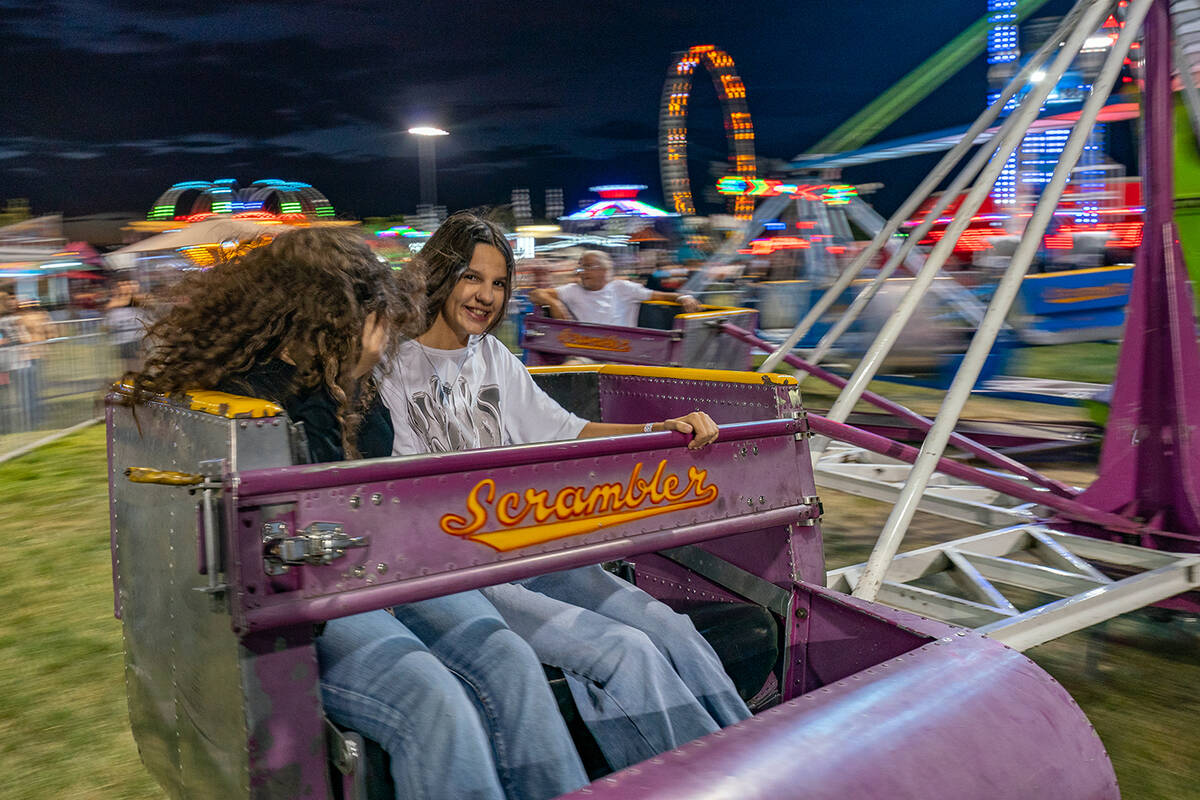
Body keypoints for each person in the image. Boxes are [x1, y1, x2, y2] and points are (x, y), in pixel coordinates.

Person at [128, 228, 588, 800]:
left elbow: (370, 469)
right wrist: (341, 382)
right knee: (431, 699)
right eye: (366, 316)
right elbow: (315, 500)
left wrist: (351, 381)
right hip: (302, 605)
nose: (378, 332)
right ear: (324, 315)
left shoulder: (345, 381)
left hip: (368, 576)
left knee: (508, 658)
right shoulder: (249, 392)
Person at [377, 211, 751, 772]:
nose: (486, 295)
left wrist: (658, 430)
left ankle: (756, 758)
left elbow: (567, 430)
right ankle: (701, 780)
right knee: (626, 650)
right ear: (440, 274)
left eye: (499, 284)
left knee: (668, 626)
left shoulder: (493, 357)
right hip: (460, 566)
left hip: (528, 548)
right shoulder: (389, 366)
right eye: (472, 278)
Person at [528, 249, 701, 327]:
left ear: (604, 270)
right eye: (580, 267)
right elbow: (536, 294)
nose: (582, 272)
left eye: (588, 267)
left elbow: (663, 296)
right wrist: (554, 304)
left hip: (624, 352)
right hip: (586, 352)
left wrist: (684, 297)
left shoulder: (622, 288)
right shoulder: (573, 290)